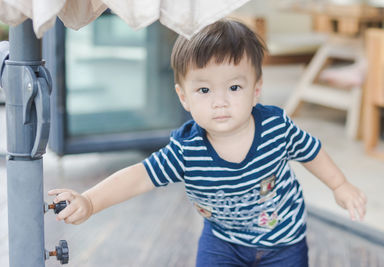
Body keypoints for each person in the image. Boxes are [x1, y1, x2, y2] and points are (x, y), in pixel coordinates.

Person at [49, 18, 367, 266]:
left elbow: (312, 151)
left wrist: (340, 185)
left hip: (283, 242)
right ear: (184, 97)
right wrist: (90, 201)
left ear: (256, 89)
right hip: (223, 242)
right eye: (204, 90)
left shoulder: (275, 128)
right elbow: (138, 177)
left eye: (234, 88)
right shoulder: (186, 151)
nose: (220, 102)